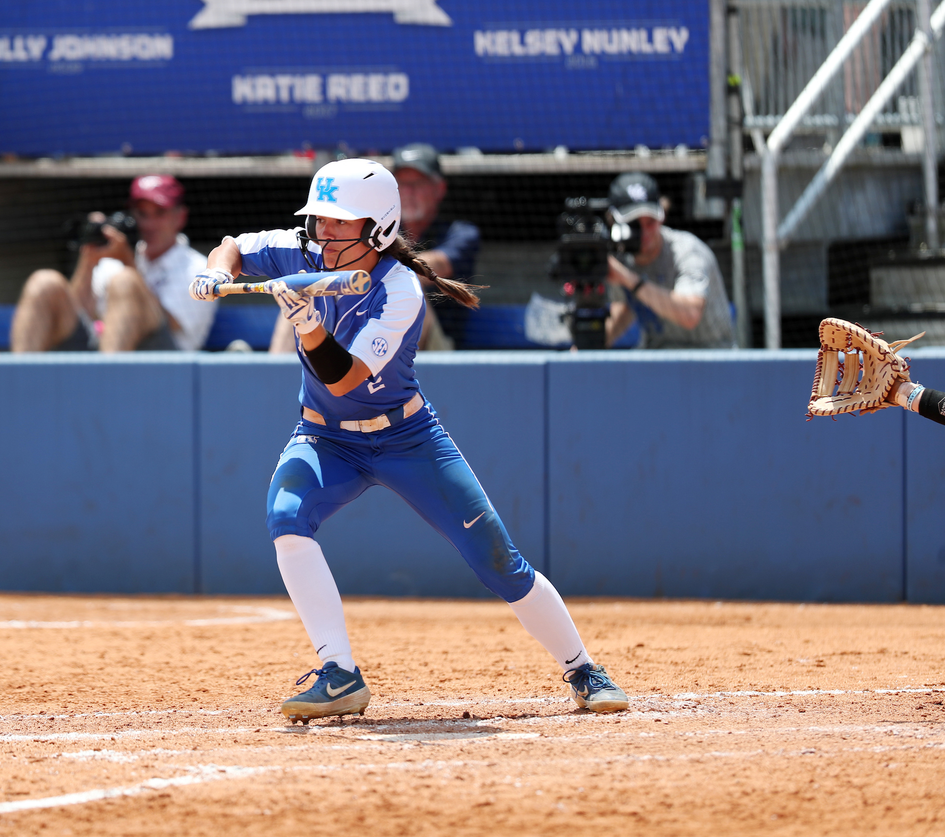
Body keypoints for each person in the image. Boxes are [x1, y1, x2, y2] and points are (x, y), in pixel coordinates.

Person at [190, 158, 629, 723]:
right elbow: (233, 245)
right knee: (286, 514)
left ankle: (581, 667)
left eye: (340, 223)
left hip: (407, 437)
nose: (324, 233)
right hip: (325, 438)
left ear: (379, 228)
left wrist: (305, 323)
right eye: (320, 221)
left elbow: (344, 377)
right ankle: (338, 672)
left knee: (498, 558)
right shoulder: (300, 249)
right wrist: (215, 272)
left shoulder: (400, 292)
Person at [269, 144, 478, 353]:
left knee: (409, 287)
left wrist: (358, 274)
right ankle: (274, 377)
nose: (409, 191)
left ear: (438, 189)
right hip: (362, 337)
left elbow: (436, 264)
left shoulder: (460, 232)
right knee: (299, 296)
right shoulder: (374, 229)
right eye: (402, 184)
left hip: (433, 352)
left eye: (418, 183)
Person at [10, 175, 213, 353]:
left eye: (159, 213)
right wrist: (88, 259)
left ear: (180, 216)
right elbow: (81, 314)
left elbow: (174, 325)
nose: (149, 224)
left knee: (125, 282)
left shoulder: (199, 267)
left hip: (167, 367)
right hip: (102, 353)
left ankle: (106, 388)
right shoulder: (114, 257)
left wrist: (128, 263)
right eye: (142, 214)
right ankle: (17, 387)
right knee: (44, 282)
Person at [603, 172, 735, 349]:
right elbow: (624, 311)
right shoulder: (623, 260)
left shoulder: (687, 250)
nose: (645, 232)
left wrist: (630, 280)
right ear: (615, 222)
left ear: (662, 216)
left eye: (650, 222)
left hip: (710, 358)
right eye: (634, 224)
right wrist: (586, 345)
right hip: (657, 357)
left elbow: (690, 315)